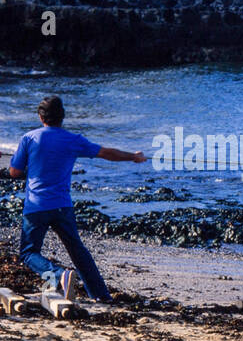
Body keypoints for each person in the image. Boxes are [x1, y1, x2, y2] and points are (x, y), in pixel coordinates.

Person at [7, 95, 145, 302]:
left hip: (36, 207)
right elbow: (107, 153)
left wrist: (23, 160)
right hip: (62, 206)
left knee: (28, 253)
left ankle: (59, 276)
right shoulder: (73, 140)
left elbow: (14, 172)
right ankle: (101, 295)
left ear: (40, 116)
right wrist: (133, 156)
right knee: (77, 251)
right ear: (62, 117)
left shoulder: (29, 138)